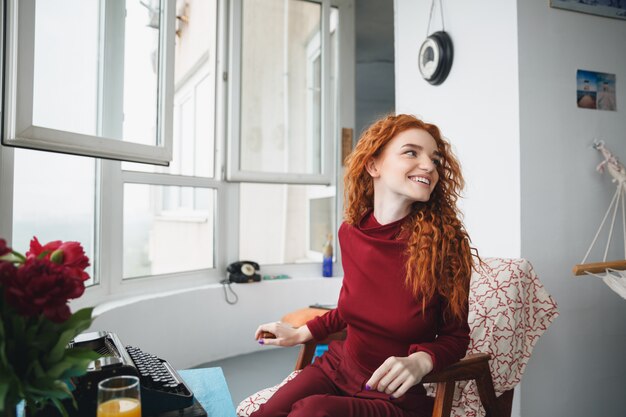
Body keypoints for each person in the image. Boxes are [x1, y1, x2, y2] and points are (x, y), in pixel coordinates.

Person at [252, 114, 478, 417]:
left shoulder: (445, 248)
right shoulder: (351, 232)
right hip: (336, 367)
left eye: (435, 159)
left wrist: (421, 360)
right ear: (374, 166)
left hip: (392, 396)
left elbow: (456, 337)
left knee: (311, 412)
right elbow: (350, 309)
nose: (429, 165)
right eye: (412, 152)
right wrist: (300, 333)